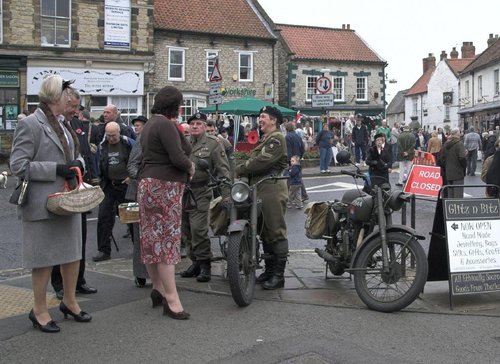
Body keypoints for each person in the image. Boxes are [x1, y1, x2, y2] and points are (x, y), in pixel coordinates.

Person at [10, 75, 92, 333]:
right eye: (67, 93)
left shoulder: (64, 124)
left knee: (72, 255)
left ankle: (69, 301)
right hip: (42, 203)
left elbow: (76, 155)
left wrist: (79, 164)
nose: (71, 98)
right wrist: (56, 169)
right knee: (43, 260)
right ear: (55, 95)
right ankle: (40, 310)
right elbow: (18, 166)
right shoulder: (31, 124)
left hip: (68, 200)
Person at [138, 85, 194, 319]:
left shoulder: (150, 123)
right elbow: (178, 157)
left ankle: (158, 289)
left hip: (148, 184)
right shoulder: (166, 124)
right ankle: (172, 300)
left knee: (151, 240)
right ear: (175, 105)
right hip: (166, 186)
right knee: (168, 242)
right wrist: (191, 167)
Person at [51, 88, 97, 300]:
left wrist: (83, 164)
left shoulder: (74, 124)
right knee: (60, 240)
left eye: (77, 107)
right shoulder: (51, 125)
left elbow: (82, 152)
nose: (75, 111)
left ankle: (79, 280)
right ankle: (59, 284)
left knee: (80, 237)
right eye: (72, 106)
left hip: (78, 186)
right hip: (59, 189)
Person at [235, 106, 288, 290]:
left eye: (263, 117)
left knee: (276, 231)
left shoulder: (277, 138)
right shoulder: (266, 138)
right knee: (265, 232)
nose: (260, 119)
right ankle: (269, 270)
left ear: (274, 120)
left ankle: (279, 276)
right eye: (260, 116)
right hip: (261, 189)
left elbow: (262, 161)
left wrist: (241, 168)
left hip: (272, 189)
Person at [179, 112, 230, 283]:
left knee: (198, 230)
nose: (195, 126)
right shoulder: (183, 143)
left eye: (199, 124)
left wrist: (226, 195)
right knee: (185, 230)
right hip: (184, 192)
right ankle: (195, 262)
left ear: (204, 126)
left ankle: (205, 265)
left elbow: (223, 170)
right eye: (192, 123)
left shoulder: (213, 144)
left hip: (201, 191)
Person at [93, 121, 135, 262]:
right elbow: (99, 163)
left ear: (119, 132)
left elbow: (138, 161)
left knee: (131, 218)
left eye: (114, 135)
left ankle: (138, 249)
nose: (111, 138)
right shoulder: (103, 146)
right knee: (104, 217)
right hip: (109, 185)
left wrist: (131, 177)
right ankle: (104, 250)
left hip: (126, 186)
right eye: (109, 135)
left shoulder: (128, 144)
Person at [126, 115, 150, 287]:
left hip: (156, 194)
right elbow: (131, 166)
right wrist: (145, 180)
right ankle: (141, 274)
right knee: (139, 236)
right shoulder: (141, 141)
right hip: (136, 194)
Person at [441, 128, 466, 198]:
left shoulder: (446, 144)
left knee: (450, 195)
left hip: (449, 172)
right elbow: (462, 158)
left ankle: (450, 208)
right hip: (458, 172)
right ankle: (457, 209)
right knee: (458, 195)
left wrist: (446, 167)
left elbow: (441, 158)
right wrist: (464, 166)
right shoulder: (459, 144)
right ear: (457, 134)